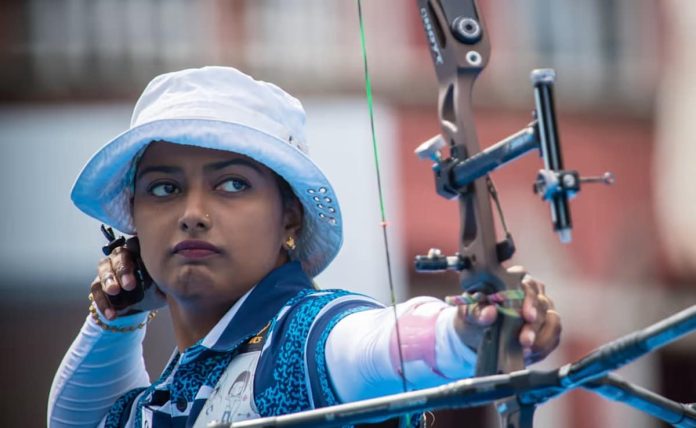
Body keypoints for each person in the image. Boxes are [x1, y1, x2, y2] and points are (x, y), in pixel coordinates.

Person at [47, 66, 562, 428]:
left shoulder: (299, 337)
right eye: (164, 188)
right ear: (134, 222)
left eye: (232, 184)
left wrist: (473, 327)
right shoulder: (169, 391)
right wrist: (117, 315)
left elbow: (372, 346)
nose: (192, 213)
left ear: (289, 215)